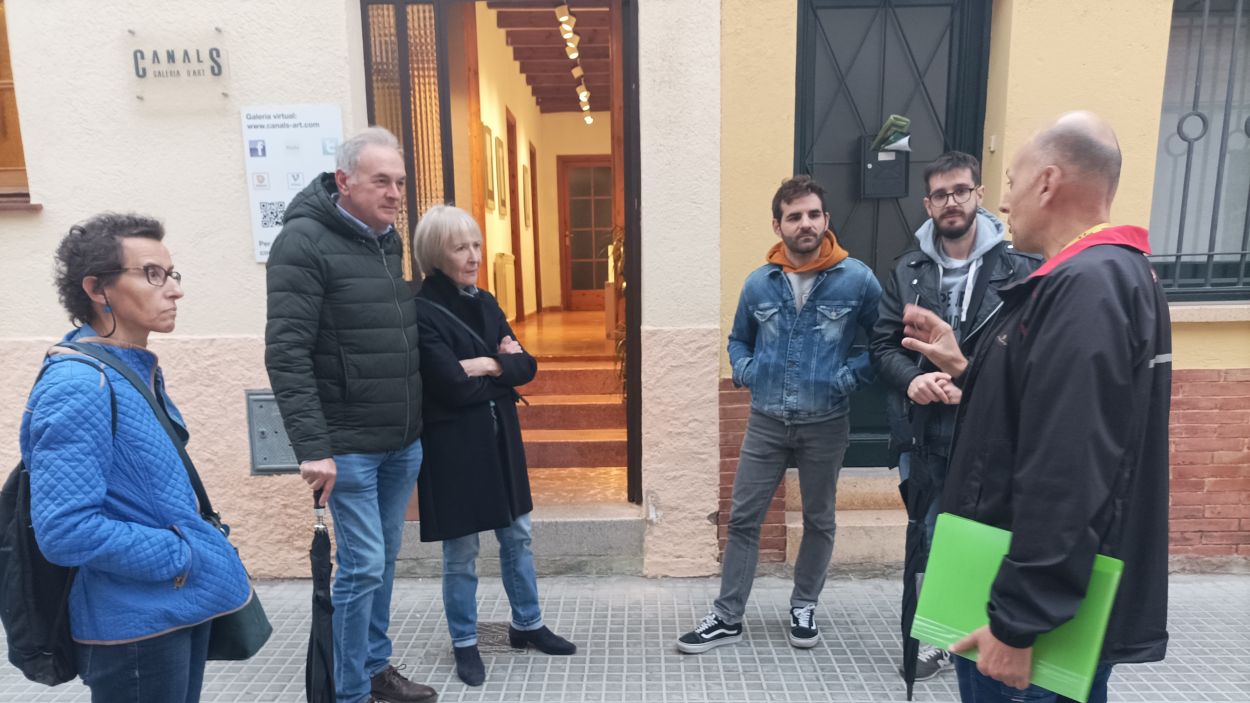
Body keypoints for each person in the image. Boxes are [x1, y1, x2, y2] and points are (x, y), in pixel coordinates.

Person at [901, 112, 1171, 703]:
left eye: (1013, 179)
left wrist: (1018, 621)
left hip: (1030, 622)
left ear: (1047, 182)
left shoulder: (1088, 287)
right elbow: (1045, 418)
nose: (1003, 197)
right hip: (1024, 597)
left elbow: (1069, 469)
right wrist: (964, 367)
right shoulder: (1095, 278)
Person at [21, 213, 252, 702]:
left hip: (170, 606)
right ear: (98, 289)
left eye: (171, 274)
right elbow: (65, 530)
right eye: (152, 274)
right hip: (134, 628)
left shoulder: (129, 367)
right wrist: (183, 555)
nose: (173, 290)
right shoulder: (81, 384)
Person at [676, 175, 881, 654]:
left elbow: (882, 341)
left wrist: (850, 377)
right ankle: (727, 617)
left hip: (826, 420)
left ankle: (804, 605)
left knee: (819, 519)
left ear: (826, 220)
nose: (805, 223)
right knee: (744, 518)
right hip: (766, 420)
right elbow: (738, 340)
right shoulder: (759, 283)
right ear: (778, 225)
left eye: (813, 214)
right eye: (794, 216)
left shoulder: (857, 279)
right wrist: (745, 369)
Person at [265, 127, 435, 703]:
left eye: (401, 182)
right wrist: (313, 447)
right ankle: (349, 692)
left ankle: (374, 670)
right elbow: (286, 353)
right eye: (381, 181)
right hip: (349, 447)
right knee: (362, 567)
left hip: (399, 442)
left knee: (382, 563)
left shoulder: (386, 240)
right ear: (344, 182)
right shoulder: (303, 242)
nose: (394, 193)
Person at [870, 151, 1039, 680]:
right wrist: (912, 379)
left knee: (977, 534)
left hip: (988, 431)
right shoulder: (907, 269)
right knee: (928, 537)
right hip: (924, 432)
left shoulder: (1020, 269)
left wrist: (974, 384)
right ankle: (939, 635)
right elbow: (882, 346)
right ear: (927, 203)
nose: (951, 202)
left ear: (979, 195)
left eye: (961, 191)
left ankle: (973, 630)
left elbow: (1027, 354)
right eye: (940, 194)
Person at [411, 205, 576, 686]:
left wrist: (483, 366)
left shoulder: (485, 301)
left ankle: (528, 624)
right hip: (454, 449)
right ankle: (465, 642)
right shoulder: (422, 312)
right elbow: (449, 384)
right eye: (460, 247)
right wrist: (497, 365)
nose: (473, 256)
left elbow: (528, 366)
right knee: (461, 552)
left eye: (476, 245)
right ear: (434, 255)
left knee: (518, 536)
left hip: (500, 439)